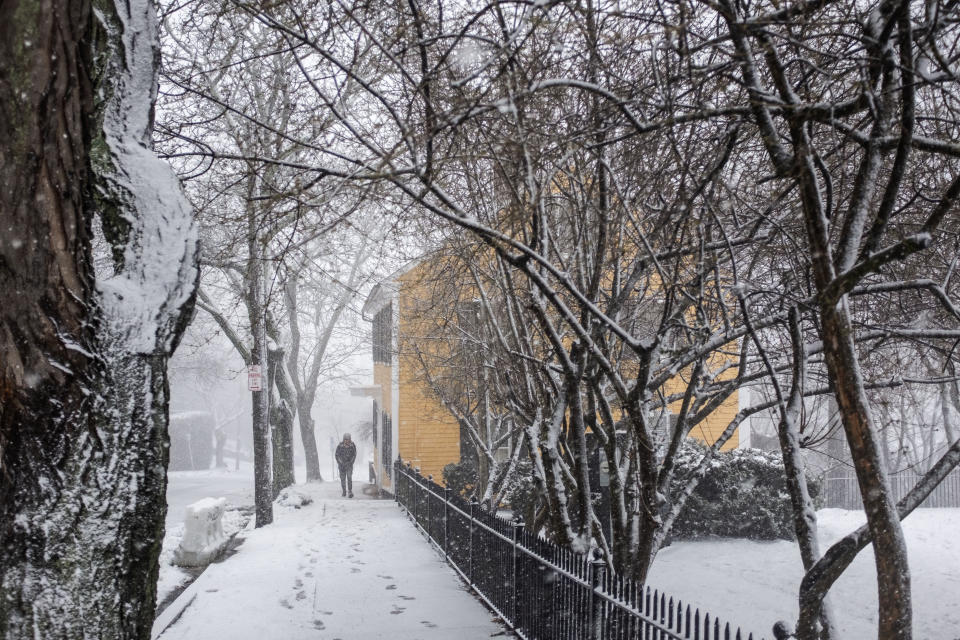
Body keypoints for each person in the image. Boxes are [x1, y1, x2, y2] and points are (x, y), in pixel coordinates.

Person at [335, 433, 357, 498]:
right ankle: (344, 491)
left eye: (348, 439)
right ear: (343, 439)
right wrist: (340, 462)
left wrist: (350, 462)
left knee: (349, 477)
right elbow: (337, 455)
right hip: (341, 465)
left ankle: (350, 491)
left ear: (350, 439)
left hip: (349, 465)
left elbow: (354, 455)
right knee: (343, 479)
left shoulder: (352, 446)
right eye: (345, 439)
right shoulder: (340, 446)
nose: (346, 441)